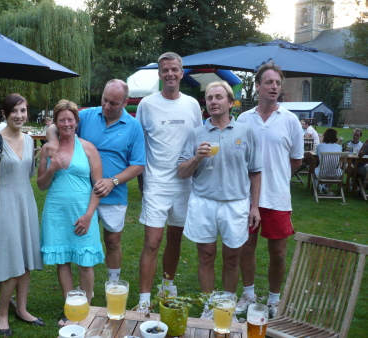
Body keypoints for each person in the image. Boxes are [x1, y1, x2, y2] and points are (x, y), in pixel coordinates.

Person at [45, 79, 145, 284]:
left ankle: (113, 283)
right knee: (80, 239)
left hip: (113, 193)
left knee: (113, 241)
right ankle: (79, 293)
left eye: (114, 103)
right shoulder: (88, 115)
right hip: (82, 195)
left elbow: (138, 165)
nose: (107, 106)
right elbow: (61, 123)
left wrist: (113, 181)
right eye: (105, 100)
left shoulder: (134, 127)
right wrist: (53, 140)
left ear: (125, 102)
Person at [178, 81, 262, 319]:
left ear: (229, 102)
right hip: (203, 202)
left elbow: (255, 171)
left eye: (218, 97)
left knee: (233, 256)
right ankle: (208, 307)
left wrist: (254, 206)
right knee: (206, 255)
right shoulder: (197, 134)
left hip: (235, 203)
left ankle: (226, 307)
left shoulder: (245, 132)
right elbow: (182, 172)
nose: (213, 102)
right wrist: (197, 157)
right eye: (209, 98)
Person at [135, 52, 203, 311]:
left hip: (185, 185)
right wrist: (143, 183)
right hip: (156, 184)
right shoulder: (147, 104)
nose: (170, 74)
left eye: (175, 69)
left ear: (182, 73)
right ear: (160, 74)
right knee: (152, 242)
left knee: (175, 239)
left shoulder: (192, 105)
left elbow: (198, 139)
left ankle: (167, 286)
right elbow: (139, 144)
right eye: (165, 70)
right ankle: (143, 302)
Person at [237, 62, 303, 318]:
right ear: (257, 87)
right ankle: (249, 294)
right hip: (246, 197)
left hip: (277, 197)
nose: (274, 87)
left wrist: (278, 177)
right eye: (269, 82)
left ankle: (274, 299)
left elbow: (296, 159)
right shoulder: (244, 118)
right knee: (246, 247)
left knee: (278, 252)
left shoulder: (290, 120)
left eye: (277, 83)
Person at [0, 93, 44, 336]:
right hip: (6, 206)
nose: (19, 115)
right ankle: (2, 314)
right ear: (5, 114)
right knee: (12, 263)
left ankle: (23, 310)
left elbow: (28, 175)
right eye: (14, 111)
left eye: (23, 110)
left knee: (25, 261)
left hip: (26, 203)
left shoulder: (30, 140)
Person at [38, 99, 104, 327]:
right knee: (63, 261)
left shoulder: (88, 148)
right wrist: (52, 167)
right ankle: (70, 307)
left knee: (85, 263)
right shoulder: (48, 149)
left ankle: (85, 306)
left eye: (70, 119)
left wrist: (88, 215)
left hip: (83, 213)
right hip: (56, 213)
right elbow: (41, 185)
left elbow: (98, 186)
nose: (66, 123)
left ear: (77, 121)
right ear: (56, 123)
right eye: (61, 120)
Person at [313, 128, 342, 194]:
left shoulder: (320, 146)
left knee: (314, 168)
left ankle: (320, 186)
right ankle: (324, 186)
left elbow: (316, 156)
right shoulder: (339, 147)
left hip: (322, 173)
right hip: (336, 173)